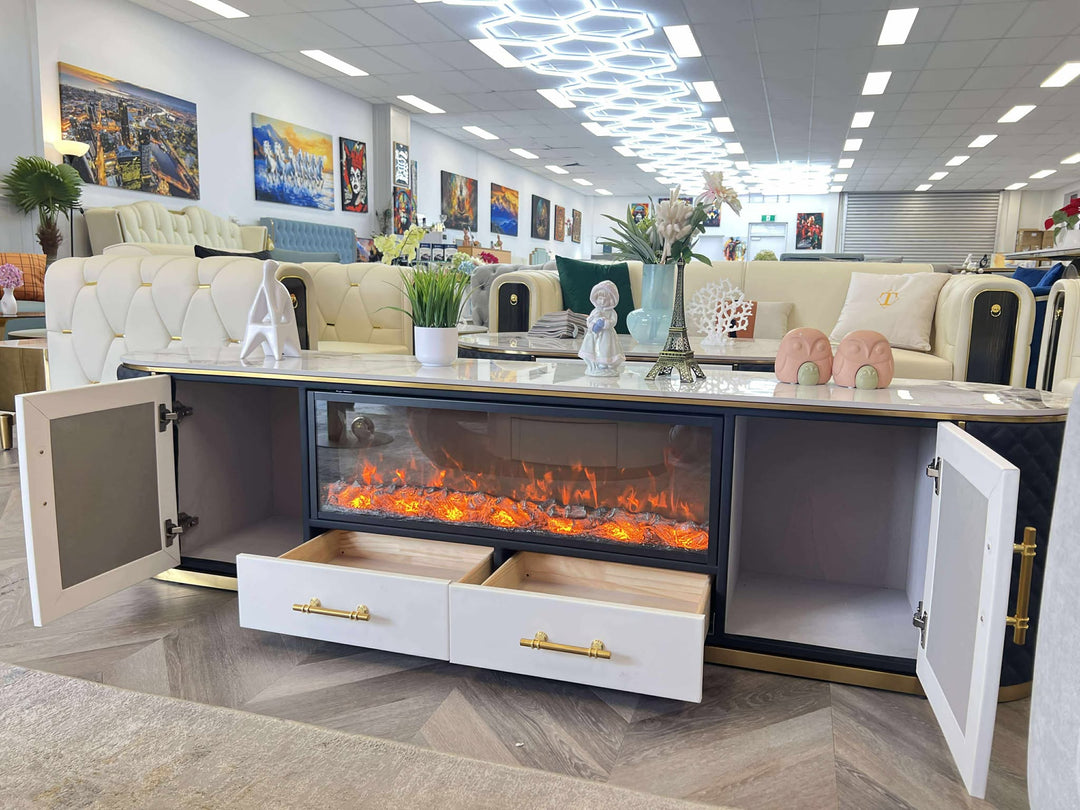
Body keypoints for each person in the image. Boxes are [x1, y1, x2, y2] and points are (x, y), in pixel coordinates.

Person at [578, 280, 624, 377]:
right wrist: (593, 324)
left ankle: (605, 362)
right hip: (594, 335)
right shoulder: (595, 311)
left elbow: (613, 321)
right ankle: (595, 363)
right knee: (593, 348)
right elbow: (589, 320)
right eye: (600, 298)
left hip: (606, 335)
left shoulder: (611, 312)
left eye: (605, 299)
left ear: (611, 300)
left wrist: (605, 323)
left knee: (605, 348)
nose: (602, 302)